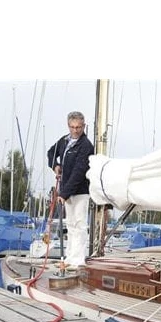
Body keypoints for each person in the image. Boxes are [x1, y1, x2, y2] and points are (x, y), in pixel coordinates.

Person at [46, 111, 94, 269]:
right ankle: (70, 257)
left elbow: (79, 171)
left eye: (78, 127)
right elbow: (51, 153)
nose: (75, 130)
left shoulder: (86, 146)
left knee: (79, 224)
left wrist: (64, 193)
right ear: (68, 126)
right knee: (71, 225)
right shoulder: (64, 141)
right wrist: (55, 165)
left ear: (83, 126)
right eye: (72, 127)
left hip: (80, 191)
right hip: (66, 189)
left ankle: (78, 259)